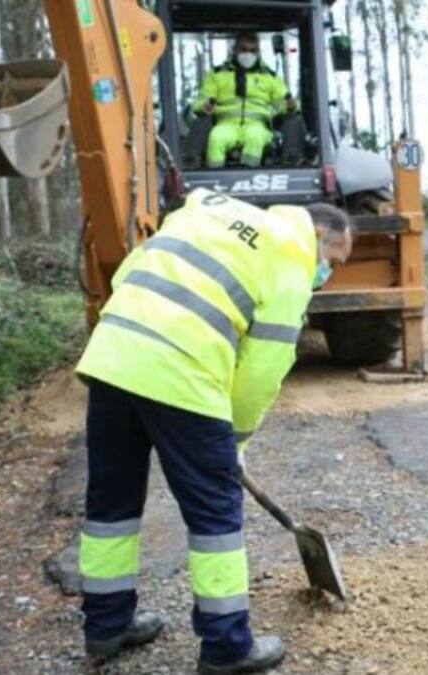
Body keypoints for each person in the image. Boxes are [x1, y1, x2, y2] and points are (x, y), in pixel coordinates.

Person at [73, 189, 352, 673]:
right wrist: (236, 440)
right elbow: (261, 372)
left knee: (110, 504)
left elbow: (129, 272)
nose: (327, 276)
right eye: (333, 262)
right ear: (319, 238)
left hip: (113, 354)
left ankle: (106, 626)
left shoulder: (212, 209)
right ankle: (226, 647)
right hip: (181, 369)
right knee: (215, 514)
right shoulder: (291, 256)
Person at [193, 32, 297, 168]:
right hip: (226, 124)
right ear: (234, 49)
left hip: (257, 125)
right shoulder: (217, 74)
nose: (248, 54)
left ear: (258, 52)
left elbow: (283, 102)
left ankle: (248, 175)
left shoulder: (270, 77)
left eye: (252, 50)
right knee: (216, 138)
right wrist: (203, 106)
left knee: (255, 137)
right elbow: (200, 102)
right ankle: (213, 180)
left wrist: (290, 107)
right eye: (243, 49)